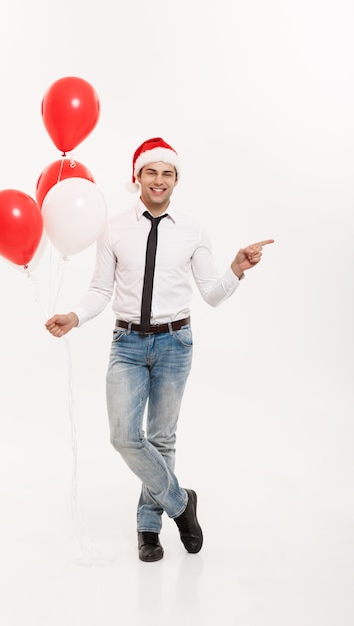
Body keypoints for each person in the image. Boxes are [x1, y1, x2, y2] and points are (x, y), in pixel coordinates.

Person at [45, 137, 274, 562]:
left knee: (162, 439)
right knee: (124, 437)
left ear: (176, 180)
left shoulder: (193, 229)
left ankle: (148, 528)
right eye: (151, 171)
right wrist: (75, 315)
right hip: (127, 343)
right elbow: (99, 288)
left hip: (175, 342)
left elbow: (211, 294)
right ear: (138, 177)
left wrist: (236, 269)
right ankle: (182, 504)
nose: (159, 180)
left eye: (167, 173)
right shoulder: (113, 227)